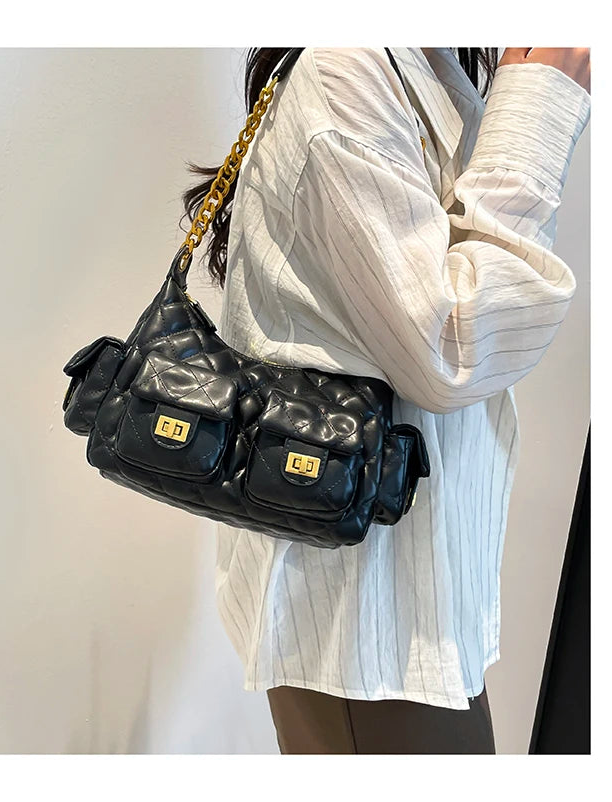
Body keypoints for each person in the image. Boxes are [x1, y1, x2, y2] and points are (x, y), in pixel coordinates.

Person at [181, 47, 591, 754]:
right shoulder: (347, 72)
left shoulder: (424, 61)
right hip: (364, 627)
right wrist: (538, 107)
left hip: (399, 605)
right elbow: (454, 346)